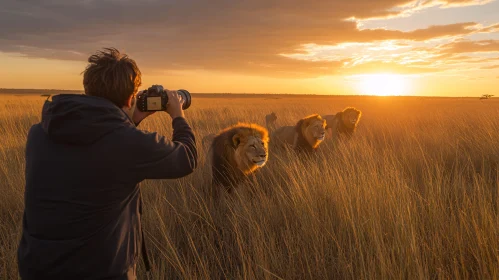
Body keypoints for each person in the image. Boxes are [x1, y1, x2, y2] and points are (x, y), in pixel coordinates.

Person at [17, 48, 198, 279]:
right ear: (130, 97)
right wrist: (178, 115)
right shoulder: (127, 144)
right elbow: (188, 158)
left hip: (37, 268)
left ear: (88, 87)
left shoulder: (39, 134)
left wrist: (129, 121)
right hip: (101, 270)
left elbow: (96, 150)